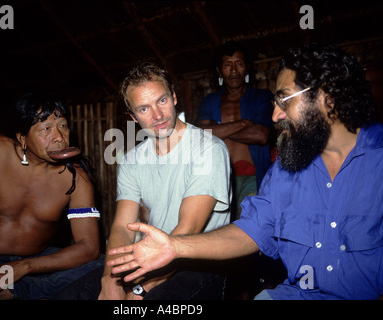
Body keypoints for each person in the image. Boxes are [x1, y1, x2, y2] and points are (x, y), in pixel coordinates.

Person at [107, 44, 383, 300]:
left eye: (285, 101)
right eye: (144, 108)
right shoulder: (286, 169)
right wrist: (174, 248)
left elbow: (256, 134)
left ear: (327, 97)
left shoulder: (376, 161)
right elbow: (251, 231)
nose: (275, 115)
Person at [55, 61, 231, 300]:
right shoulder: (132, 160)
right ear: (133, 117)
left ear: (174, 97)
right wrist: (111, 278)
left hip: (199, 264)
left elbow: (189, 230)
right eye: (144, 109)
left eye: (161, 101)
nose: (158, 115)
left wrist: (141, 288)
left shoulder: (208, 150)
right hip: (151, 257)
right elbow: (121, 227)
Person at [0, 92, 103, 300]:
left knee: (107, 267)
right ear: (22, 138)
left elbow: (89, 247)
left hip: (35, 263)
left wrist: (24, 266)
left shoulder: (75, 177)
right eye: (46, 129)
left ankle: (11, 291)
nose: (59, 137)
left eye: (63, 125)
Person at [195, 41, 274, 220]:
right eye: (227, 65)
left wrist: (217, 128)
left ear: (246, 68)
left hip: (254, 177)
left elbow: (261, 136)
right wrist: (242, 124)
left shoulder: (262, 97)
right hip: (219, 178)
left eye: (239, 64)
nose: (233, 71)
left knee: (250, 230)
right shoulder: (210, 100)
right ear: (219, 70)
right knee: (221, 231)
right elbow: (198, 135)